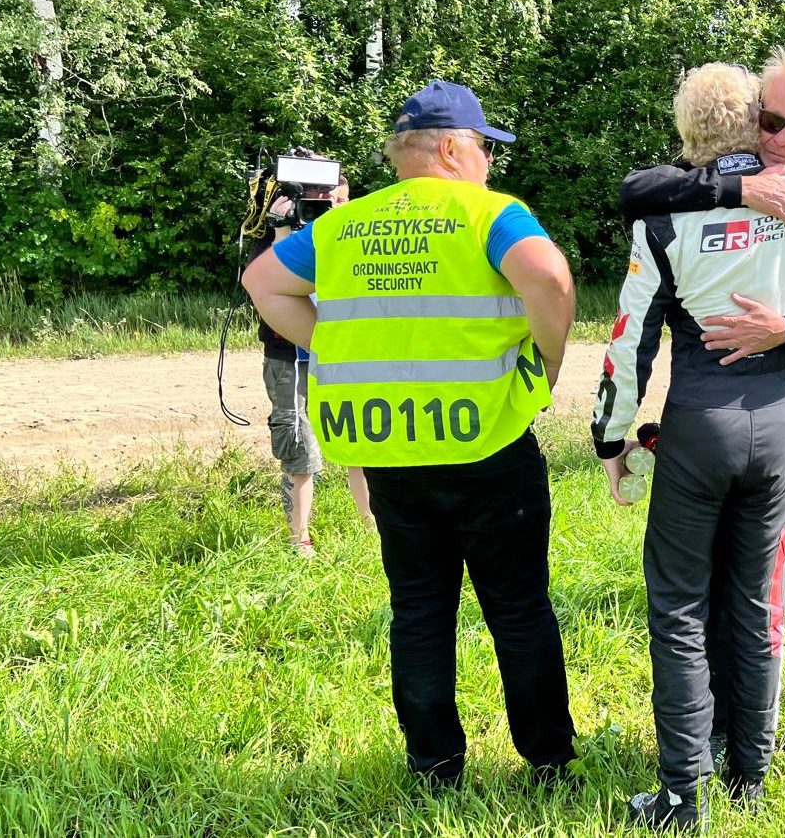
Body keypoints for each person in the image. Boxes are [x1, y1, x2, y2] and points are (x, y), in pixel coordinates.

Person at [243, 79, 579, 788]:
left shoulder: (343, 225)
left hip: (390, 449)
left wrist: (332, 346)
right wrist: (549, 363)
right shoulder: (489, 212)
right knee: (518, 609)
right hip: (488, 442)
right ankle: (548, 764)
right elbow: (548, 277)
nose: (489, 162)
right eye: (486, 148)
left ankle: (434, 767)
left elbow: (263, 283)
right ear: (453, 148)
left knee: (420, 610)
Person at [594, 61, 785, 830]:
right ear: (752, 115)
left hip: (746, 421)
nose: (784, 138)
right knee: (754, 602)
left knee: (712, 604)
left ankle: (710, 783)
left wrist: (610, 435)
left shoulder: (692, 212)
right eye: (771, 122)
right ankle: (744, 769)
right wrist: (744, 187)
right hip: (774, 423)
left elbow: (631, 338)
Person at [247, 170, 374, 558]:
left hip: (344, 352)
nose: (331, 208)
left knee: (361, 443)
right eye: (322, 200)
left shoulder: (354, 238)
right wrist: (281, 231)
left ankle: (373, 529)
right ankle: (299, 539)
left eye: (340, 200)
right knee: (298, 446)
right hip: (290, 356)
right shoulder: (276, 235)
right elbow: (262, 286)